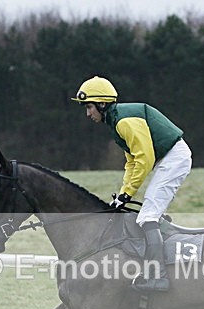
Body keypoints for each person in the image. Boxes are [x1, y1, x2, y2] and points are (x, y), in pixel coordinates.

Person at [72, 76, 192, 292]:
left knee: (147, 216)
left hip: (174, 159)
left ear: (102, 103)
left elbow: (144, 159)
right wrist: (122, 194)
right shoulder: (116, 121)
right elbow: (131, 162)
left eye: (89, 107)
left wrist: (128, 193)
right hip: (167, 159)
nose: (87, 114)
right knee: (145, 213)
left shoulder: (124, 121)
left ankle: (159, 277)